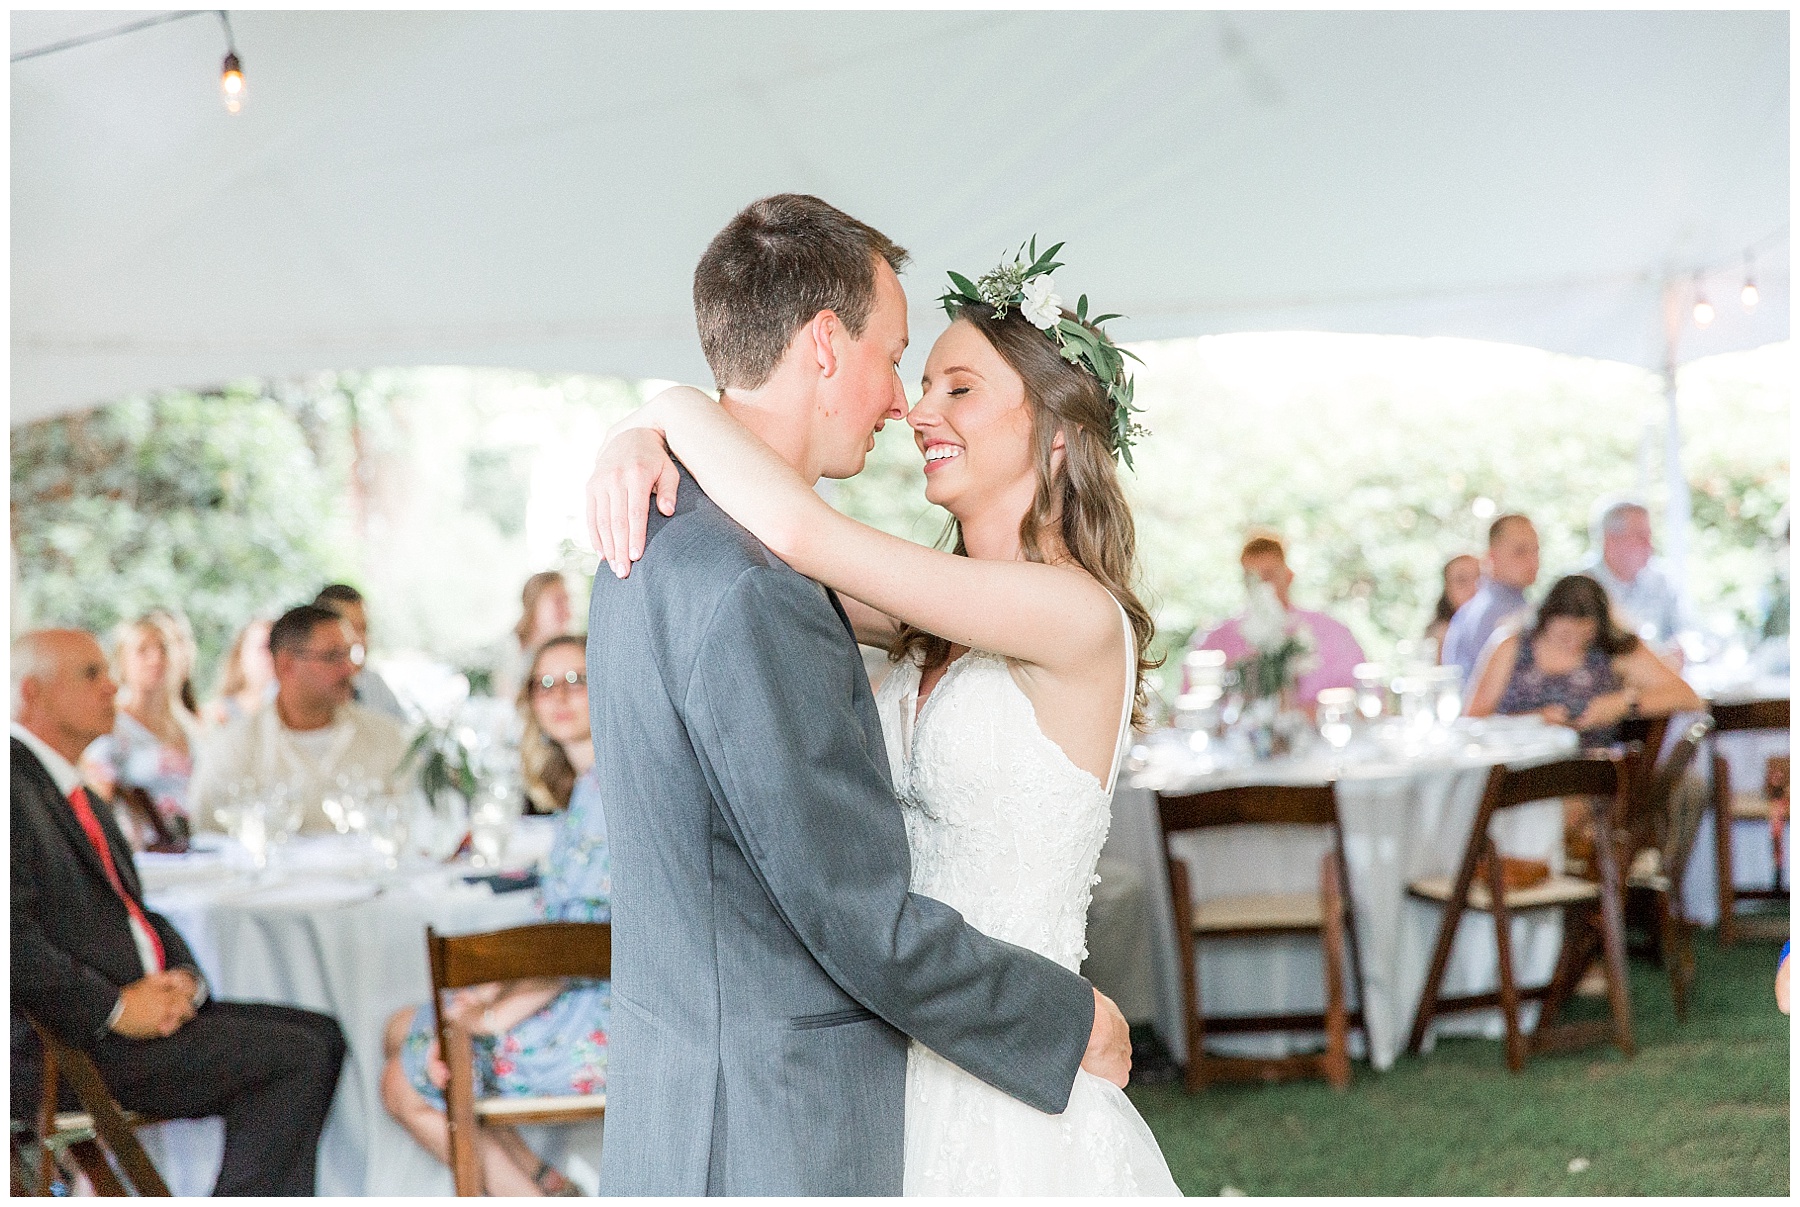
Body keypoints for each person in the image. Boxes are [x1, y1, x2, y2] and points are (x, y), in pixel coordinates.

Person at [584, 197, 1169, 1195]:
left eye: (958, 386)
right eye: (912, 368)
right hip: (909, 1057)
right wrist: (662, 419)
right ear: (825, 343)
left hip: (998, 1069)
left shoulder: (1072, 615)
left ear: (1059, 432)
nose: (912, 406)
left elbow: (803, 536)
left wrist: (668, 410)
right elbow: (791, 544)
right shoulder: (893, 609)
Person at [12, 629, 346, 1195]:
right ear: (32, 694)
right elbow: (11, 943)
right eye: (90, 674)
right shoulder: (10, 789)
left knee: (318, 1033)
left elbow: (136, 914)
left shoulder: (78, 792)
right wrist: (115, 1008)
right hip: (59, 1044)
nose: (111, 686)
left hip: (124, 1019)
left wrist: (185, 980)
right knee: (298, 1057)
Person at [380, 635, 608, 1196]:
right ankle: (543, 1181)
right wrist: (490, 992)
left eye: (578, 679)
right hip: (575, 985)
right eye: (546, 684)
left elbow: (598, 940)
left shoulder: (617, 793)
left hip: (605, 1011)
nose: (561, 697)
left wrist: (498, 1012)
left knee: (403, 1082)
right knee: (401, 1030)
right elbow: (564, 931)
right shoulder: (588, 789)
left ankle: (534, 1191)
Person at [189, 604, 410, 834]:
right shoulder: (233, 747)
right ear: (286, 664)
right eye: (333, 656)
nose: (349, 668)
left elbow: (414, 829)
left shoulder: (389, 739)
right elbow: (207, 836)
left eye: (351, 653)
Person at [1466, 574, 1703, 745]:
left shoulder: (1615, 649)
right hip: (1517, 769)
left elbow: (1688, 697)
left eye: (1584, 635)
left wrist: (1624, 703)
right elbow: (1471, 721)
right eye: (1564, 635)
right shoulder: (1512, 646)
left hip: (1589, 774)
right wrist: (1532, 721)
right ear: (1545, 620)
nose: (1573, 644)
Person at [1186, 533, 1365, 710]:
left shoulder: (1332, 632)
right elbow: (1188, 709)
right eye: (1251, 578)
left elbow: (1365, 702)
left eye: (1268, 576)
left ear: (1288, 577)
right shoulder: (1215, 640)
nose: (1260, 586)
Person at [84, 613, 200, 847]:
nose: (155, 659)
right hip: (139, 852)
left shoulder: (191, 728)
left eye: (163, 649)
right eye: (142, 650)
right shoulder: (109, 727)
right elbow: (97, 806)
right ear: (123, 661)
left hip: (192, 848)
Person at [1441, 512, 1540, 687]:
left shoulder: (1513, 606)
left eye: (1536, 550)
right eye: (1520, 551)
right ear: (1492, 557)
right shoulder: (1491, 613)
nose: (1532, 561)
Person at [1579, 497, 1690, 647]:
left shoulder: (1660, 582)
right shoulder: (1581, 587)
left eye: (1649, 536)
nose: (1649, 545)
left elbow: (1681, 634)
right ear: (1611, 541)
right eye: (1640, 536)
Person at [314, 583, 408, 722]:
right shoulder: (304, 687)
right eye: (351, 629)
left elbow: (403, 736)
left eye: (364, 629)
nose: (362, 640)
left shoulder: (374, 685)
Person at [494, 572, 573, 701]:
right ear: (533, 605)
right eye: (558, 602)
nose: (567, 612)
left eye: (567, 601)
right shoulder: (511, 652)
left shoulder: (569, 652)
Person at [202, 616, 276, 728]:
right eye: (264, 647)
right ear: (240, 654)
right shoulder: (215, 715)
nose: (272, 655)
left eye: (278, 646)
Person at [1425, 552, 1482, 653]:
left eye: (1480, 578)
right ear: (1447, 588)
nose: (1474, 587)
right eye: (1462, 580)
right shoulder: (1439, 637)